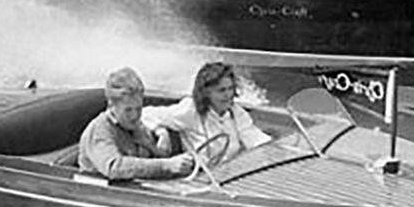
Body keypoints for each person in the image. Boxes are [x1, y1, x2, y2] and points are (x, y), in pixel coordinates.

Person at [143, 62, 272, 167]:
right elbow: (145, 114)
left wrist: (275, 151)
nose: (228, 95)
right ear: (207, 92)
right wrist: (160, 130)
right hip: (202, 178)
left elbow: (256, 139)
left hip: (231, 174)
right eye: (221, 90)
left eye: (230, 89)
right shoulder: (190, 110)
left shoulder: (235, 112)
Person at [78, 67, 195, 180]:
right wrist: (166, 165)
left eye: (138, 109)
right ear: (111, 106)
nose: (134, 116)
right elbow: (114, 167)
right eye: (128, 110)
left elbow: (150, 157)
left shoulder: (136, 125)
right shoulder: (100, 129)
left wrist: (160, 143)